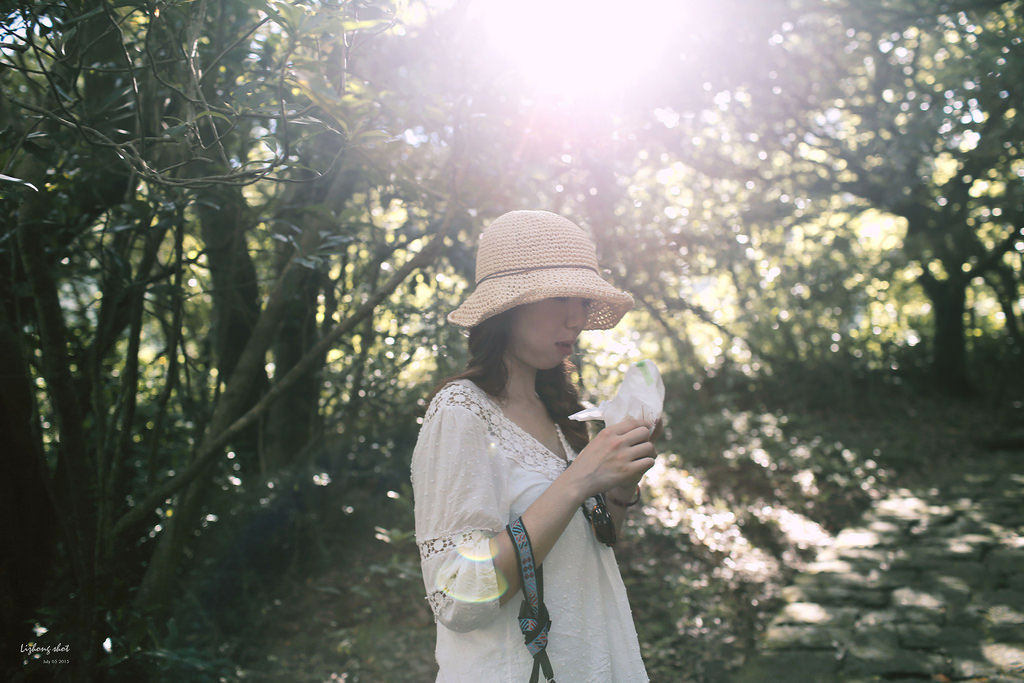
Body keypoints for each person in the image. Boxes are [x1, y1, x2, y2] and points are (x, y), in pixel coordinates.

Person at [411, 210, 656, 682]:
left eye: (583, 299)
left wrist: (624, 481)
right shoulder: (461, 412)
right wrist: (578, 479)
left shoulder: (560, 412)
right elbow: (457, 596)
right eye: (558, 297)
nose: (577, 317)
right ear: (509, 307)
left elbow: (595, 546)